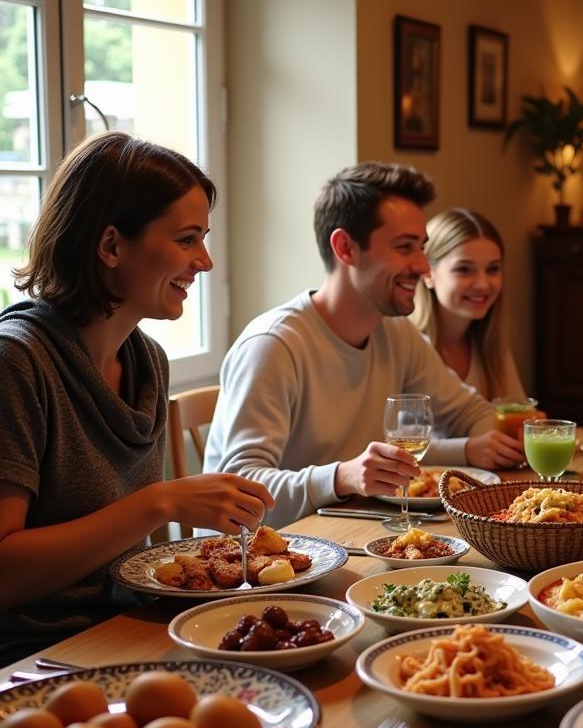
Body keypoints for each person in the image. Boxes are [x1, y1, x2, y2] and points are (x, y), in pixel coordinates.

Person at [0, 131, 272, 662]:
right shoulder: (17, 363)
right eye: (187, 239)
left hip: (130, 628)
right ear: (110, 246)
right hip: (35, 656)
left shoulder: (147, 360)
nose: (206, 262)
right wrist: (159, 502)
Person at [204, 163, 524, 528]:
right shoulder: (274, 345)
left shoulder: (397, 333)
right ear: (345, 248)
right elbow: (239, 490)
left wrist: (501, 434)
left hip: (348, 535)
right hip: (260, 564)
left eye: (422, 248)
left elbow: (469, 412)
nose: (422, 266)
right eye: (405, 248)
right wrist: (341, 476)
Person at [411, 207, 526, 400]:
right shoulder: (408, 346)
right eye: (464, 269)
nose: (483, 284)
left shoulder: (492, 346)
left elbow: (519, 416)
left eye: (493, 269)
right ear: (428, 273)